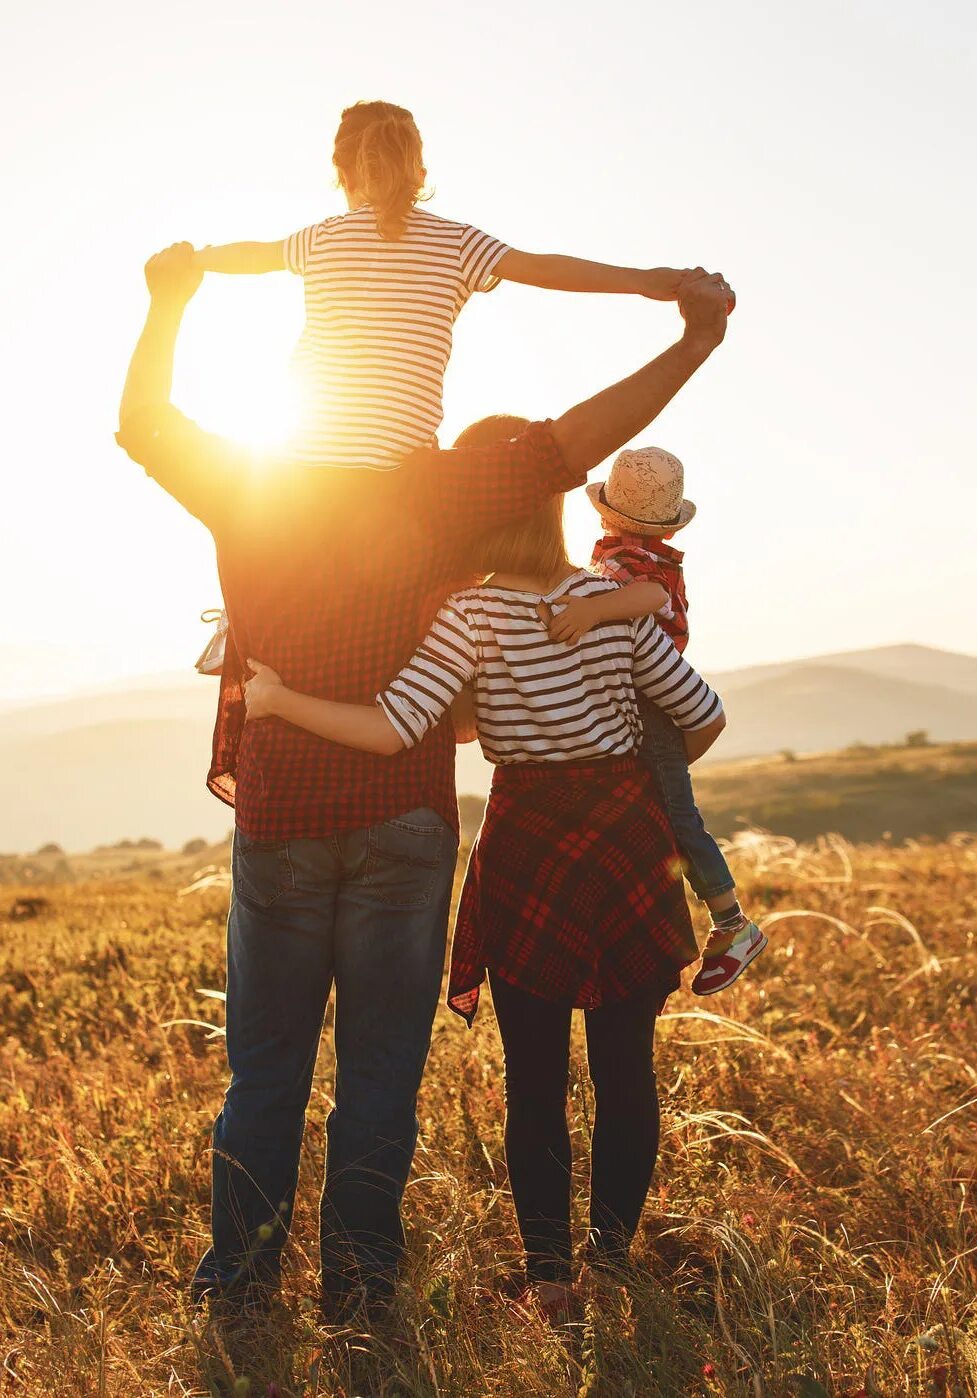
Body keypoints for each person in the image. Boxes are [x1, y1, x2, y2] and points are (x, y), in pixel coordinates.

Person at [116, 238, 734, 1318]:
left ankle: (241, 1285)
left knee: (265, 1073)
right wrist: (690, 337)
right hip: (412, 821)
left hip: (287, 816)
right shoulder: (452, 490)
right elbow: (584, 440)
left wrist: (169, 303)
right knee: (382, 1079)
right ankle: (363, 1289)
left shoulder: (250, 480)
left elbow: (144, 425)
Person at [242, 441, 728, 1317]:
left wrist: (276, 702)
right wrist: (619, 766)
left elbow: (396, 729)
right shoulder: (607, 601)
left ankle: (550, 1282)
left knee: (533, 1078)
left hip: (528, 843)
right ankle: (610, 1264)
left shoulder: (468, 614)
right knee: (627, 1070)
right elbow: (702, 714)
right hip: (622, 840)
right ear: (553, 513)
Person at [194, 99, 698, 468]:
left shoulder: (321, 238)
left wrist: (194, 260)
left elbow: (252, 256)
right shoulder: (457, 243)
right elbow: (546, 269)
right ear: (419, 171)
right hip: (401, 467)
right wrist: (646, 281)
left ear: (342, 173)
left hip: (302, 460)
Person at [542, 446, 767, 993]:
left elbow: (646, 598)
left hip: (650, 702)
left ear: (605, 511)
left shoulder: (634, 566)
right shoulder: (634, 555)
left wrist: (592, 610)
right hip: (643, 702)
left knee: (676, 817)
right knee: (654, 815)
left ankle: (733, 923)